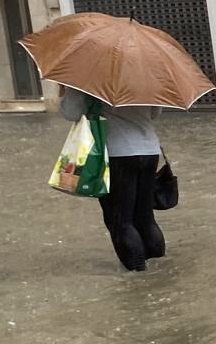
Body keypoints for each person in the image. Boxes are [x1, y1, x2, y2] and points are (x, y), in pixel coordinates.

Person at [58, 88, 164, 271]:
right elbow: (155, 113)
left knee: (120, 220)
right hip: (149, 150)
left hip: (116, 153)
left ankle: (138, 276)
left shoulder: (89, 78)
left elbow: (71, 112)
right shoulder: (144, 74)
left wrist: (65, 91)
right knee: (145, 217)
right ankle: (159, 270)